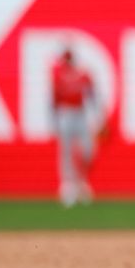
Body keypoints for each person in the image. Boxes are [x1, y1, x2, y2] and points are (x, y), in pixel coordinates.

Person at [51, 48, 98, 207]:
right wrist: (54, 121)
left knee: (87, 149)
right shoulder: (59, 76)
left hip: (80, 114)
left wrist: (99, 116)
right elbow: (54, 100)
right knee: (66, 151)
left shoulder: (83, 74)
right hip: (65, 114)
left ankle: (81, 182)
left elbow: (92, 95)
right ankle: (68, 186)